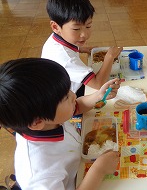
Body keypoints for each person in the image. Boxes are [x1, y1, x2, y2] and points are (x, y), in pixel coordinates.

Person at [0, 58, 121, 190]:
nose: (74, 95)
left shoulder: (44, 120)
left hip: (79, 164)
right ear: (37, 122)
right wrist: (99, 170)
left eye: (68, 89)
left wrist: (98, 96)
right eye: (65, 97)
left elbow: (76, 107)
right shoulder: (41, 175)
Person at [41, 0, 123, 97]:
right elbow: (98, 84)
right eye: (76, 29)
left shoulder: (56, 38)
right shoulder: (67, 59)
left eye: (88, 26)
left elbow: (67, 48)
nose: (84, 34)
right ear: (55, 27)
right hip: (69, 99)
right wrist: (109, 57)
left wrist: (81, 49)